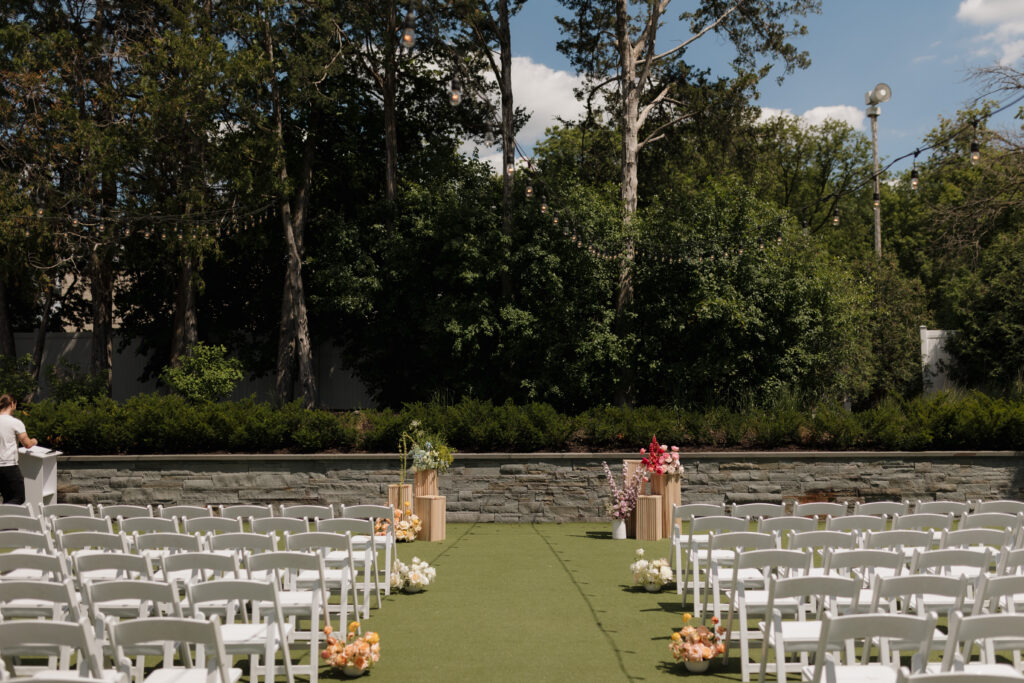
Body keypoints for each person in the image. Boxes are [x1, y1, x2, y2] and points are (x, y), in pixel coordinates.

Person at [0, 393, 35, 505]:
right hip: (9, 466)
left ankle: (5, 521)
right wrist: (34, 441)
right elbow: (27, 444)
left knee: (7, 496)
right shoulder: (15, 422)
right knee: (18, 497)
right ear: (12, 404)